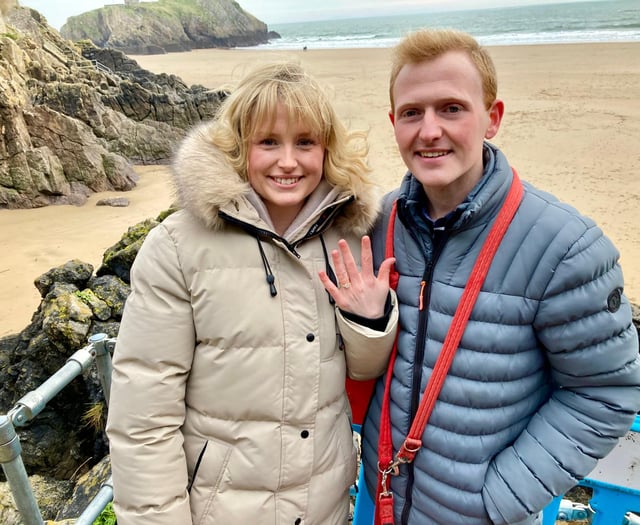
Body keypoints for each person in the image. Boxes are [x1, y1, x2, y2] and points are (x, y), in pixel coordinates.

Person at [360, 28, 640, 525]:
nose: (429, 130)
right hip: (383, 505)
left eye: (451, 108)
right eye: (411, 112)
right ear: (393, 124)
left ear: (492, 118)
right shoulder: (380, 224)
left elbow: (607, 392)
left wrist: (497, 497)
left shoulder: (565, 245)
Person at [105, 61, 398, 525]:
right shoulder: (178, 247)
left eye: (304, 142)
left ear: (327, 148)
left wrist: (368, 320)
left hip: (322, 506)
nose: (288, 161)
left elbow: (360, 371)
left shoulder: (344, 236)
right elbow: (143, 421)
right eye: (268, 142)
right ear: (240, 148)